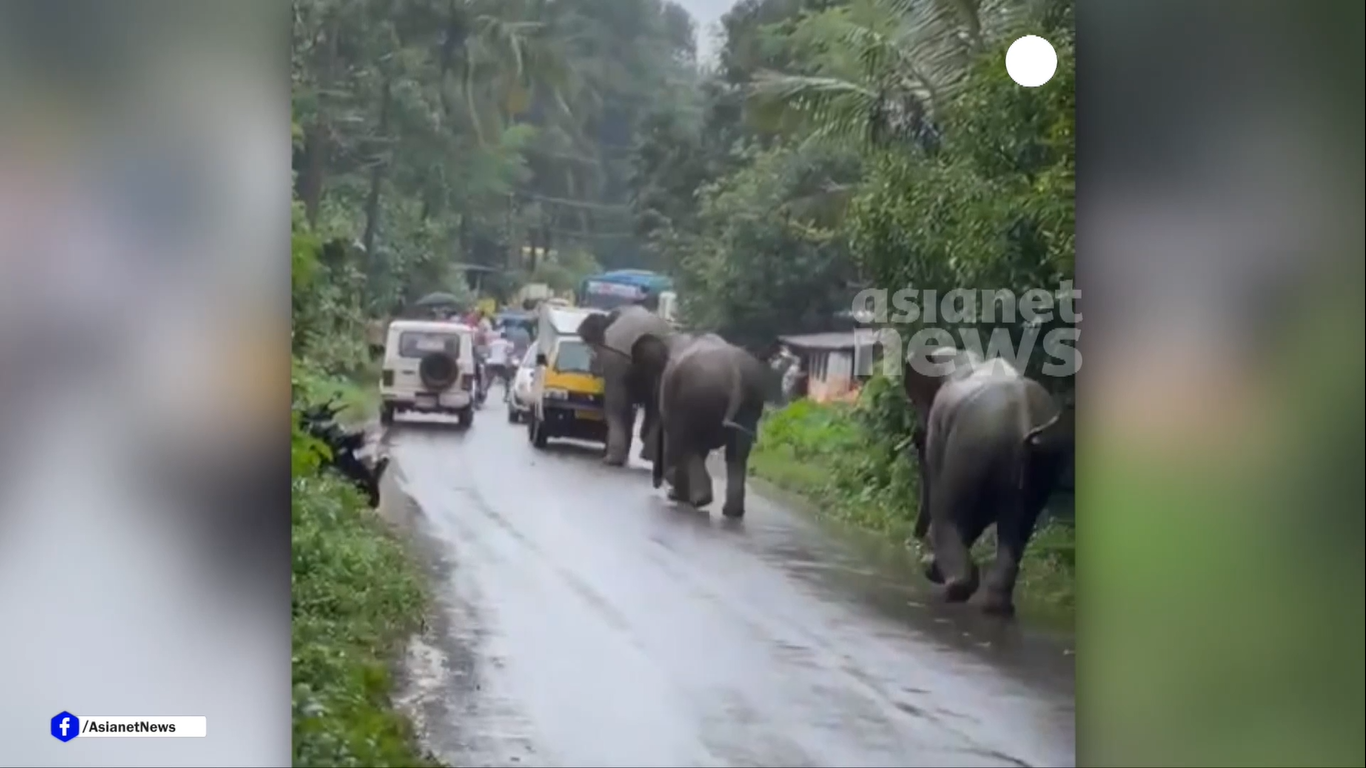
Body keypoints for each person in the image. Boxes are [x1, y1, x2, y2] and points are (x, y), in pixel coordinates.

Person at [485, 332, 513, 401]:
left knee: (489, 380)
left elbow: (488, 348)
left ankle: (484, 391)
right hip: (501, 363)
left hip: (492, 363)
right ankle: (507, 395)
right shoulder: (507, 343)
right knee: (507, 380)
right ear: (506, 337)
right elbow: (510, 350)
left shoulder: (494, 342)